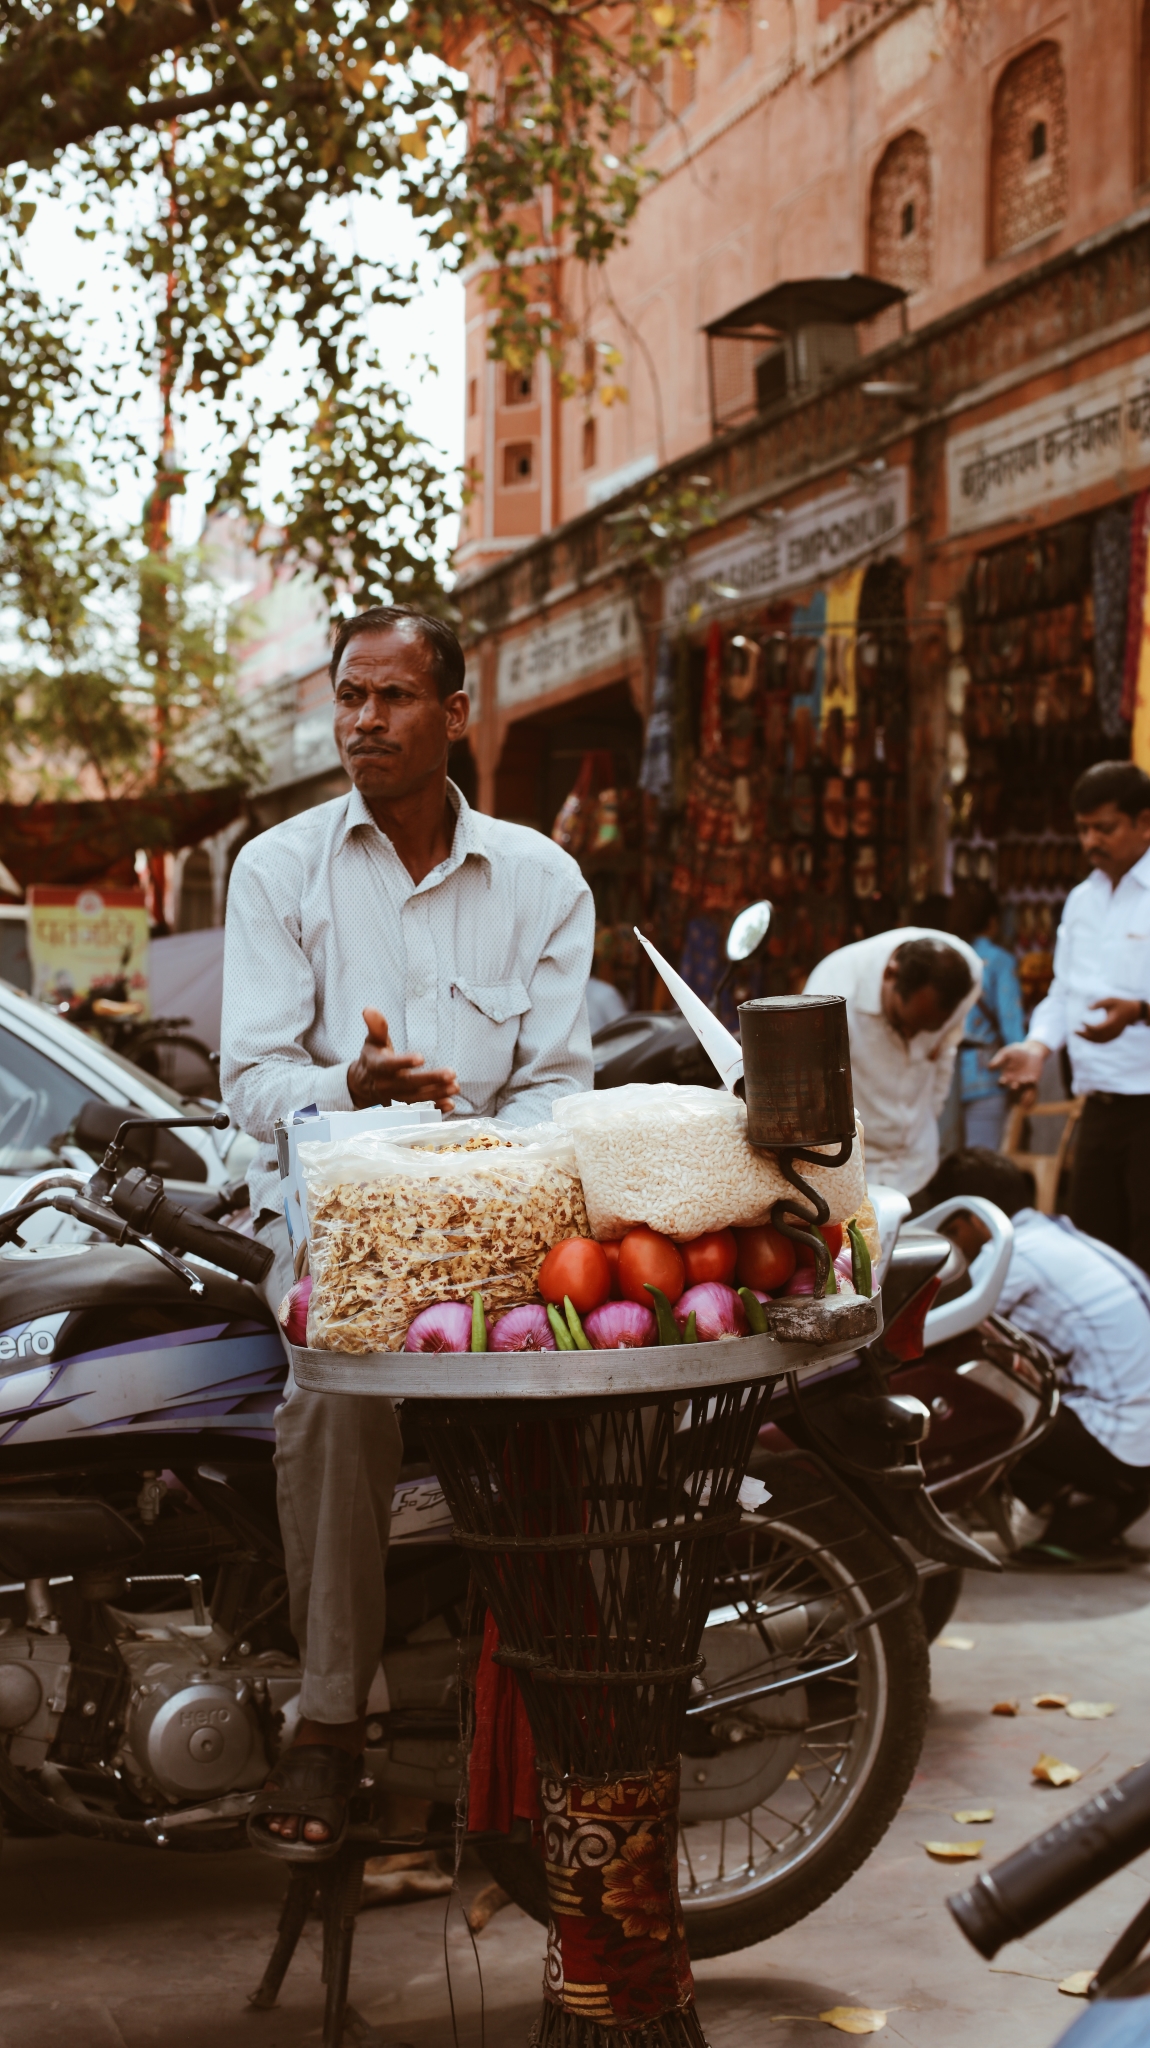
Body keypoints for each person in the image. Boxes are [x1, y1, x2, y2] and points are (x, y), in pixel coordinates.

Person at [220, 605, 594, 1857]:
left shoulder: (542, 878)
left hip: (492, 1202)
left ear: (455, 712)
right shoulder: (277, 868)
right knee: (337, 1383)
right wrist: (352, 1088)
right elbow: (255, 1083)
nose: (364, 720)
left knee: (594, 1377)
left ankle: (565, 1698)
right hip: (332, 1204)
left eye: (392, 696)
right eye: (349, 696)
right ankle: (332, 1717)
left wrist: (471, 1162)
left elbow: (556, 1087)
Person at [917, 1148, 1150, 1566]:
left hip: (1127, 1449)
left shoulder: (1009, 1257)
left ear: (973, 1218)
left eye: (952, 1231)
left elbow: (938, 1335)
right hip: (1136, 1442)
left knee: (972, 1389)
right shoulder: (1057, 1235)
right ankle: (1082, 1517)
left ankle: (1058, 1509)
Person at [991, 761, 1150, 1273]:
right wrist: (1036, 1048)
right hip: (1098, 1104)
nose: (1089, 841)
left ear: (1144, 822)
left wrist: (1140, 1011)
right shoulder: (1082, 901)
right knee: (1099, 1246)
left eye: (1104, 828)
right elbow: (1064, 992)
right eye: (1082, 829)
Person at [804, 928, 980, 1195]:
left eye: (927, 1029)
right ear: (890, 974)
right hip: (852, 1173)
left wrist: (931, 1115)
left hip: (918, 1167)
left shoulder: (970, 973)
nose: (912, 1035)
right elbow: (812, 1098)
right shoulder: (830, 993)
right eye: (903, 1022)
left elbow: (945, 1053)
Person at [949, 881, 1025, 1151]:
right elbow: (1011, 1024)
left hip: (944, 1077)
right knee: (981, 1164)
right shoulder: (998, 961)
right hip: (987, 1076)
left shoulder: (946, 957)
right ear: (993, 921)